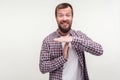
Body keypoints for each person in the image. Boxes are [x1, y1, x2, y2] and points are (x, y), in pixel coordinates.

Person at [39, 2, 103, 80]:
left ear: (72, 17)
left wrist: (73, 39)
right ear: (56, 18)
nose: (64, 18)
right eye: (61, 15)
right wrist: (63, 58)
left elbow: (99, 50)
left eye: (68, 15)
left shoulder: (79, 35)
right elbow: (42, 68)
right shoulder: (48, 40)